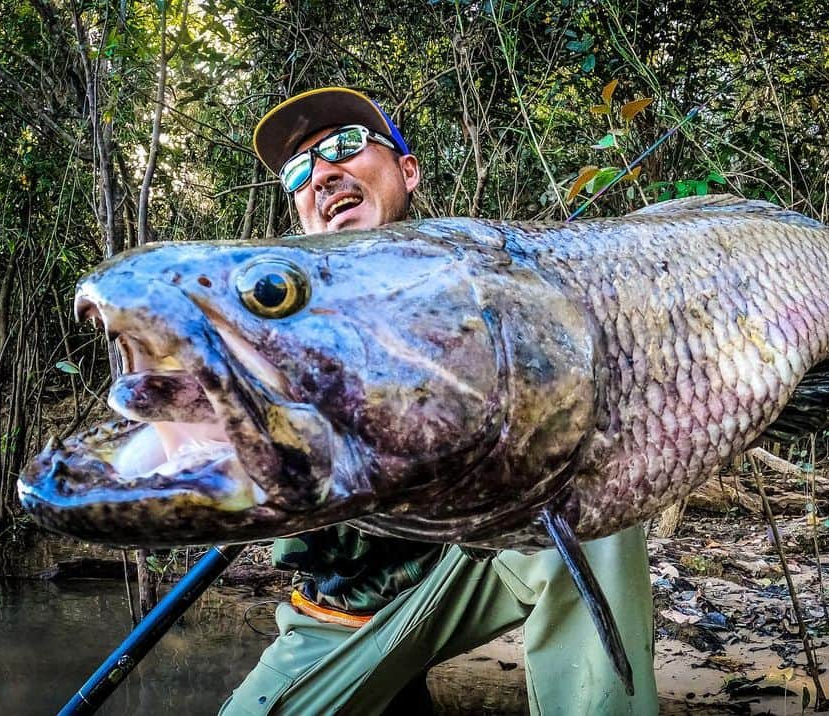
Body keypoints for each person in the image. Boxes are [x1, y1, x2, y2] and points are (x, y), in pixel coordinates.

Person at [220, 87, 659, 716]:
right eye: (299, 169)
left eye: (345, 145)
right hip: (345, 615)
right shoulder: (265, 324)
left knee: (586, 506)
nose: (321, 173)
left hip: (475, 559)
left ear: (407, 169)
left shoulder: (487, 280)